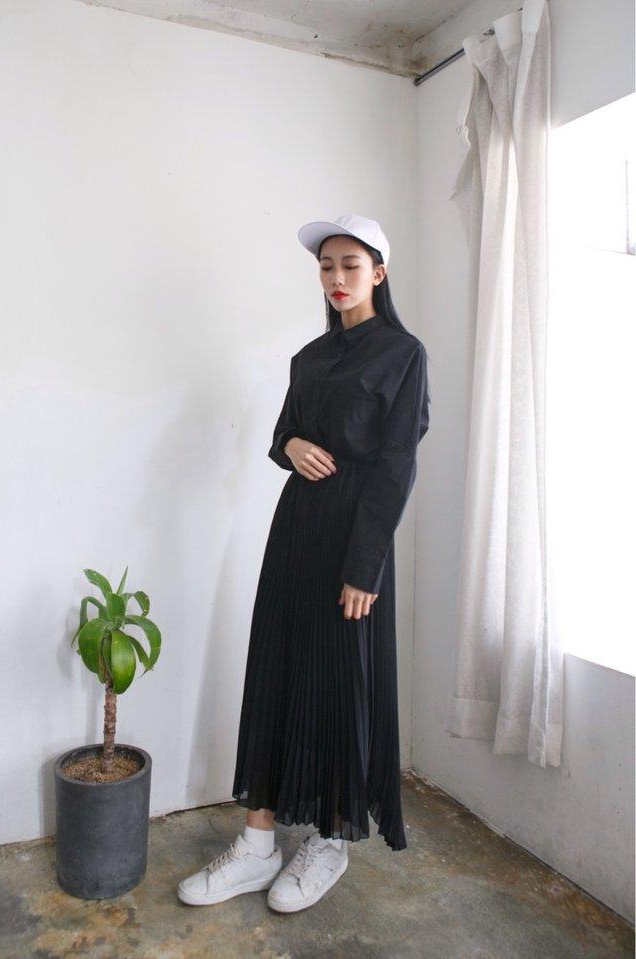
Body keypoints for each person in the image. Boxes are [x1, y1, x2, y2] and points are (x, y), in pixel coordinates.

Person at [178, 213, 431, 913]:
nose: (337, 278)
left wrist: (365, 566)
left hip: (354, 536)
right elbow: (284, 432)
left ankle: (330, 839)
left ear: (378, 272)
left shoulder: (403, 354)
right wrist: (290, 445)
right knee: (279, 667)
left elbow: (397, 465)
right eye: (326, 266)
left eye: (351, 265)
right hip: (295, 529)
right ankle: (257, 843)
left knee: (340, 681)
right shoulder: (310, 358)